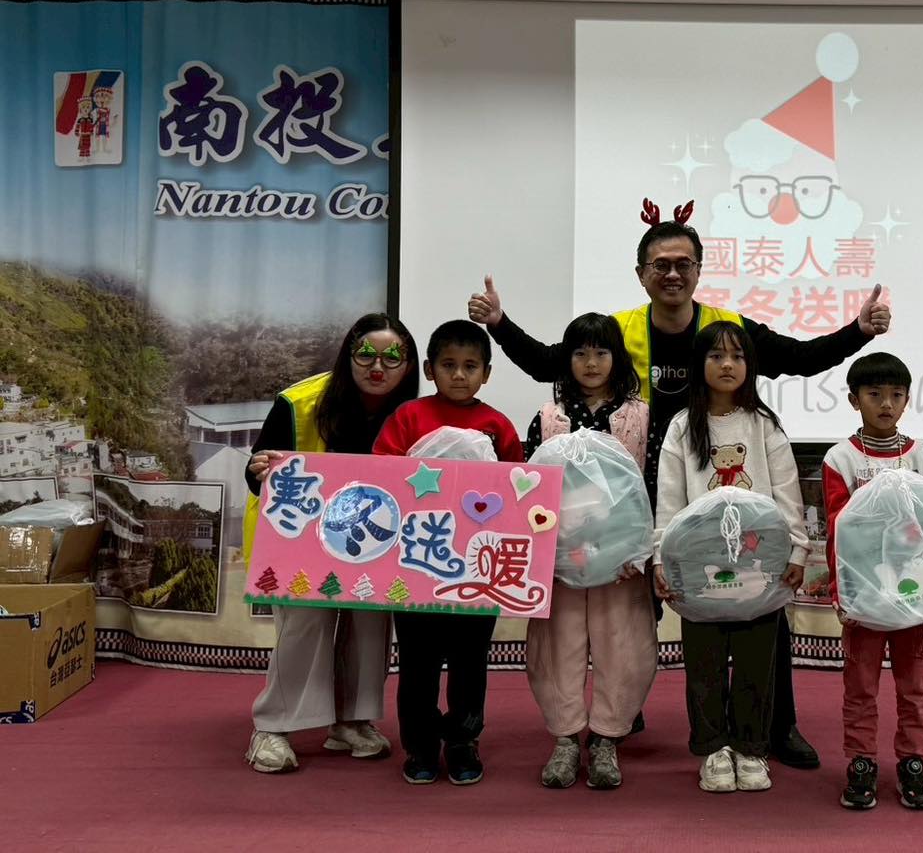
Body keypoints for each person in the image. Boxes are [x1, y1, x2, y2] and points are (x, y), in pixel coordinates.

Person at [469, 204, 891, 768]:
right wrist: (499, 325)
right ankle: (623, 715)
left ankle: (777, 726)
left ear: (698, 270)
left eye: (683, 263)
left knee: (763, 611)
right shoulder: (619, 330)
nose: (672, 273)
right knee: (632, 617)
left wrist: (858, 332)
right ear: (641, 273)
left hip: (727, 497)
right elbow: (553, 362)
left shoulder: (727, 327)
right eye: (660, 264)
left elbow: (799, 357)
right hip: (640, 503)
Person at [242, 312, 419, 774]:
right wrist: (259, 467)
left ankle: (350, 721)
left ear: (408, 366)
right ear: (347, 355)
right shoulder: (298, 402)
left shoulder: (411, 412)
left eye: (392, 357)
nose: (377, 366)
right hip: (300, 539)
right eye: (366, 354)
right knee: (304, 625)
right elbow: (257, 474)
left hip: (373, 542)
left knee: (370, 623)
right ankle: (272, 727)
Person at [653, 322, 808, 794]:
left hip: (760, 565)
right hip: (699, 568)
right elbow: (669, 500)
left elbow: (787, 492)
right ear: (698, 364)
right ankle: (713, 748)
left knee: (757, 661)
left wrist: (798, 549)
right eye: (716, 356)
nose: (727, 365)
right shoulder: (683, 426)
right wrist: (660, 558)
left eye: (737, 356)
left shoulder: (763, 425)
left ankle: (750, 746)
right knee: (704, 664)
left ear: (750, 365)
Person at [372, 320, 524, 786]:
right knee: (416, 663)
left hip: (477, 570)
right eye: (449, 365)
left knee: (469, 663)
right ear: (429, 369)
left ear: (487, 373)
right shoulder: (408, 418)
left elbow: (518, 489)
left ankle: (462, 742)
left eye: (470, 366)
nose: (459, 375)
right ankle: (420, 746)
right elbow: (382, 477)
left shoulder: (498, 425)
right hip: (416, 564)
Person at [522, 313, 657, 791]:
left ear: (617, 357)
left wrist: (642, 551)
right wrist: (541, 554)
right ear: (567, 359)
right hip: (560, 558)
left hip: (621, 559)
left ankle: (606, 739)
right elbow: (529, 487)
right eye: (580, 353)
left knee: (623, 645)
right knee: (557, 645)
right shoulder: (549, 417)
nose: (591, 362)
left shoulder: (641, 415)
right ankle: (564, 738)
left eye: (601, 352)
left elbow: (652, 484)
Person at [821, 353, 923, 811]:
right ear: (855, 400)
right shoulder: (841, 458)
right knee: (860, 689)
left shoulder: (922, 457)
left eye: (896, 395)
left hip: (916, 597)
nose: (886, 404)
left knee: (915, 689)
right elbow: (837, 530)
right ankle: (861, 763)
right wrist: (843, 594)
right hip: (866, 597)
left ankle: (913, 761)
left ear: (908, 400)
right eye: (875, 395)